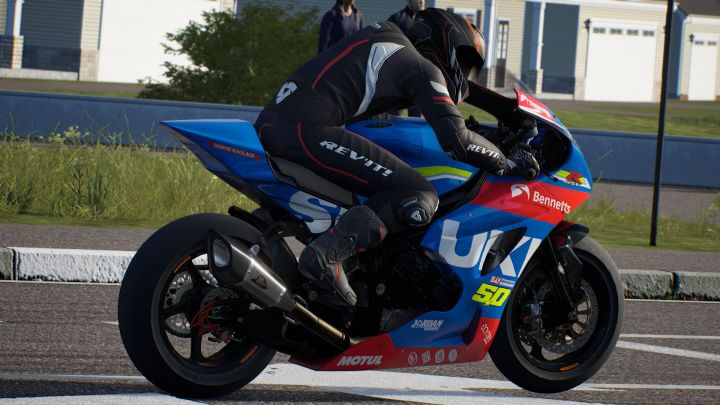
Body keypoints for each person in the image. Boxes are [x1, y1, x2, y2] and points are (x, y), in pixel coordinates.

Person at [255, 8, 539, 307]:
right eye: (465, 62)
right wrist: (508, 162)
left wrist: (509, 112)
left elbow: (467, 93)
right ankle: (327, 255)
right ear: (447, 45)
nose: (464, 73)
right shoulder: (420, 68)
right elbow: (458, 141)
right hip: (306, 129)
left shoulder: (394, 45)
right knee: (419, 194)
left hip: (281, 123)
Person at [387, 0, 425, 118]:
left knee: (416, 119)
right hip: (399, 77)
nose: (421, 1)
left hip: (419, 77)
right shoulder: (397, 19)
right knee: (394, 117)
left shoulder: (425, 22)